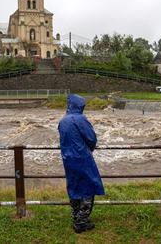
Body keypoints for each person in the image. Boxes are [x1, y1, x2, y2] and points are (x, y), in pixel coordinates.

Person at [58, 94, 105, 233]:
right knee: (88, 187)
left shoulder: (63, 121)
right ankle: (81, 222)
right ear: (80, 106)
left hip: (68, 159)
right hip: (82, 158)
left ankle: (75, 216)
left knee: (74, 186)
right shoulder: (80, 119)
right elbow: (91, 139)